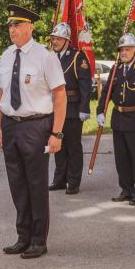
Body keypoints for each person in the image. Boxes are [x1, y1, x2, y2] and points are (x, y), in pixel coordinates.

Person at [0, 4, 66, 259]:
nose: (12, 29)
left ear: (30, 27)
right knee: (17, 184)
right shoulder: (6, 55)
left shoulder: (45, 56)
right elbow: (0, 93)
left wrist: (56, 134)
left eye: (17, 25)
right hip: (11, 126)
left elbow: (59, 95)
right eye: (10, 25)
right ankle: (22, 236)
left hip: (36, 126)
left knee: (36, 184)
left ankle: (38, 240)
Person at [96, 33, 135, 204]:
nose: (123, 52)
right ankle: (126, 189)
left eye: (127, 49)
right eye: (121, 49)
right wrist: (100, 111)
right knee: (121, 159)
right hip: (119, 119)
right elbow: (106, 93)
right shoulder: (116, 69)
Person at [47, 23, 92, 195]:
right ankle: (60, 179)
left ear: (67, 40)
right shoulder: (51, 57)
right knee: (58, 145)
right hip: (55, 108)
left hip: (72, 108)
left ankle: (73, 182)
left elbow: (85, 84)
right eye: (53, 38)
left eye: (58, 38)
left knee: (73, 147)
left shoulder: (77, 57)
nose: (55, 41)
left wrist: (84, 108)